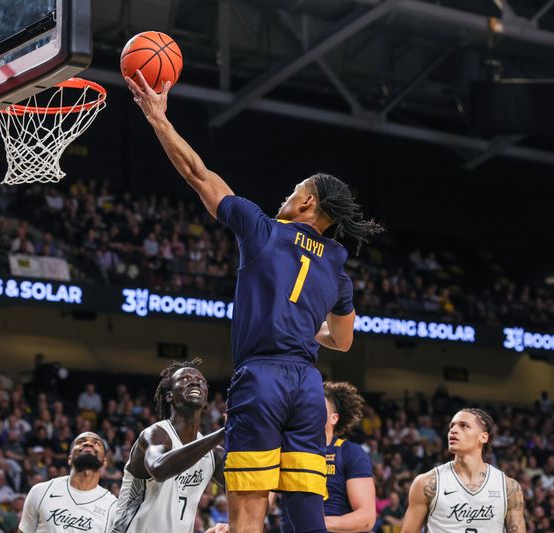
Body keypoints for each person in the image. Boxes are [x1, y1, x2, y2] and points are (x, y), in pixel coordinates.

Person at [126, 72, 381, 533]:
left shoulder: (261, 228)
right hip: (308, 387)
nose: (285, 195)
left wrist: (159, 119)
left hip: (261, 378)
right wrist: (305, 331)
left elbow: (197, 173)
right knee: (308, 517)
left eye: (293, 191)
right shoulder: (338, 265)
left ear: (306, 202)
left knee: (247, 509)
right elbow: (342, 341)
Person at [111, 358, 225, 533]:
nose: (195, 381)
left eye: (201, 381)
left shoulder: (213, 454)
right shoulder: (156, 435)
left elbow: (244, 488)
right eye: (185, 379)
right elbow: (159, 469)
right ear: (169, 395)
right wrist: (223, 433)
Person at [401, 408, 526, 533]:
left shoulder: (509, 487)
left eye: (464, 426)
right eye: (452, 426)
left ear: (483, 437)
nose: (453, 430)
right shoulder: (427, 483)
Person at [282, 381, 375, 533]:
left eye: (317, 407)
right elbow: (263, 500)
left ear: (333, 418)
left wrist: (315, 524)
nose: (309, 412)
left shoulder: (350, 452)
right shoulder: (286, 449)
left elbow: (366, 518)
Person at [19, 431, 117, 532]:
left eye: (96, 443)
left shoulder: (112, 507)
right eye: (80, 441)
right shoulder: (40, 491)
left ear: (105, 461)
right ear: (69, 459)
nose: (88, 443)